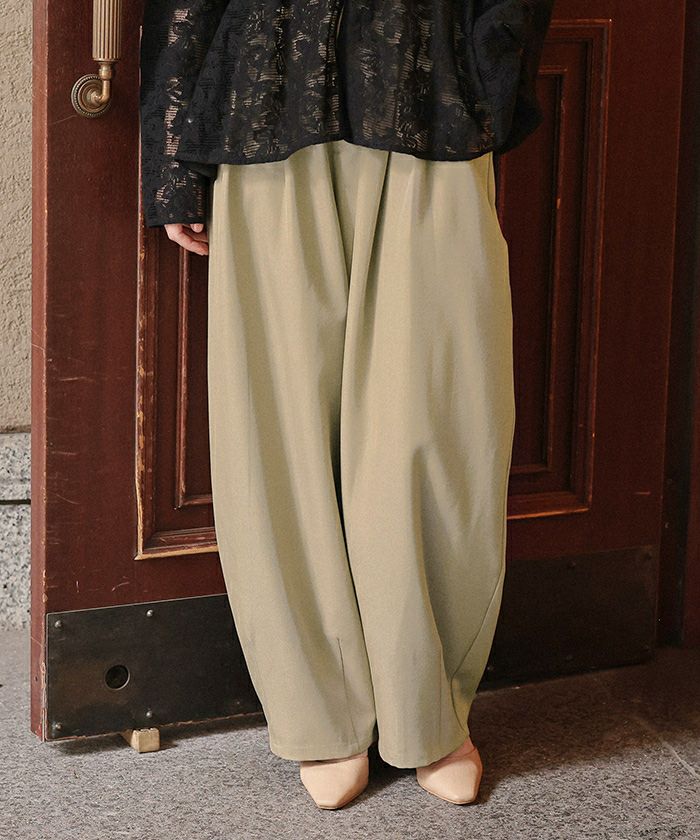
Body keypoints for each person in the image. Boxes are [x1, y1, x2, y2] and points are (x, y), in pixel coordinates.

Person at [140, 0, 554, 810]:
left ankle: (428, 706)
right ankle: (319, 709)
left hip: (431, 93)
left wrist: (488, 77)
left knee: (432, 418)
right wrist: (173, 155)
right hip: (265, 101)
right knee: (281, 424)